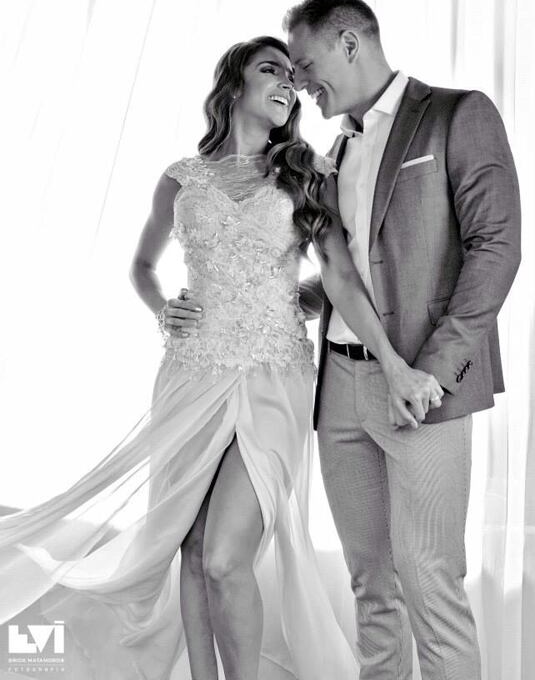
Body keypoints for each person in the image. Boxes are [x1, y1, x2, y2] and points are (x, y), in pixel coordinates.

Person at [0, 35, 442, 680]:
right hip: (191, 374)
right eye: (272, 69)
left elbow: (343, 277)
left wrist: (389, 361)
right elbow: (142, 266)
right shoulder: (181, 178)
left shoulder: (307, 171)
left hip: (274, 374)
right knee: (193, 546)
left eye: (293, 76)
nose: (288, 83)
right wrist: (163, 309)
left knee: (226, 558)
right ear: (234, 83)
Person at [279, 0, 521, 680]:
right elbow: (349, 274)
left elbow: (496, 247)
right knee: (371, 587)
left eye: (304, 64)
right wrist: (255, 301)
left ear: (349, 42)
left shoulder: (456, 114)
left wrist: (430, 373)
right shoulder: (335, 149)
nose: (299, 83)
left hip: (421, 389)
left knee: (430, 583)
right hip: (340, 390)